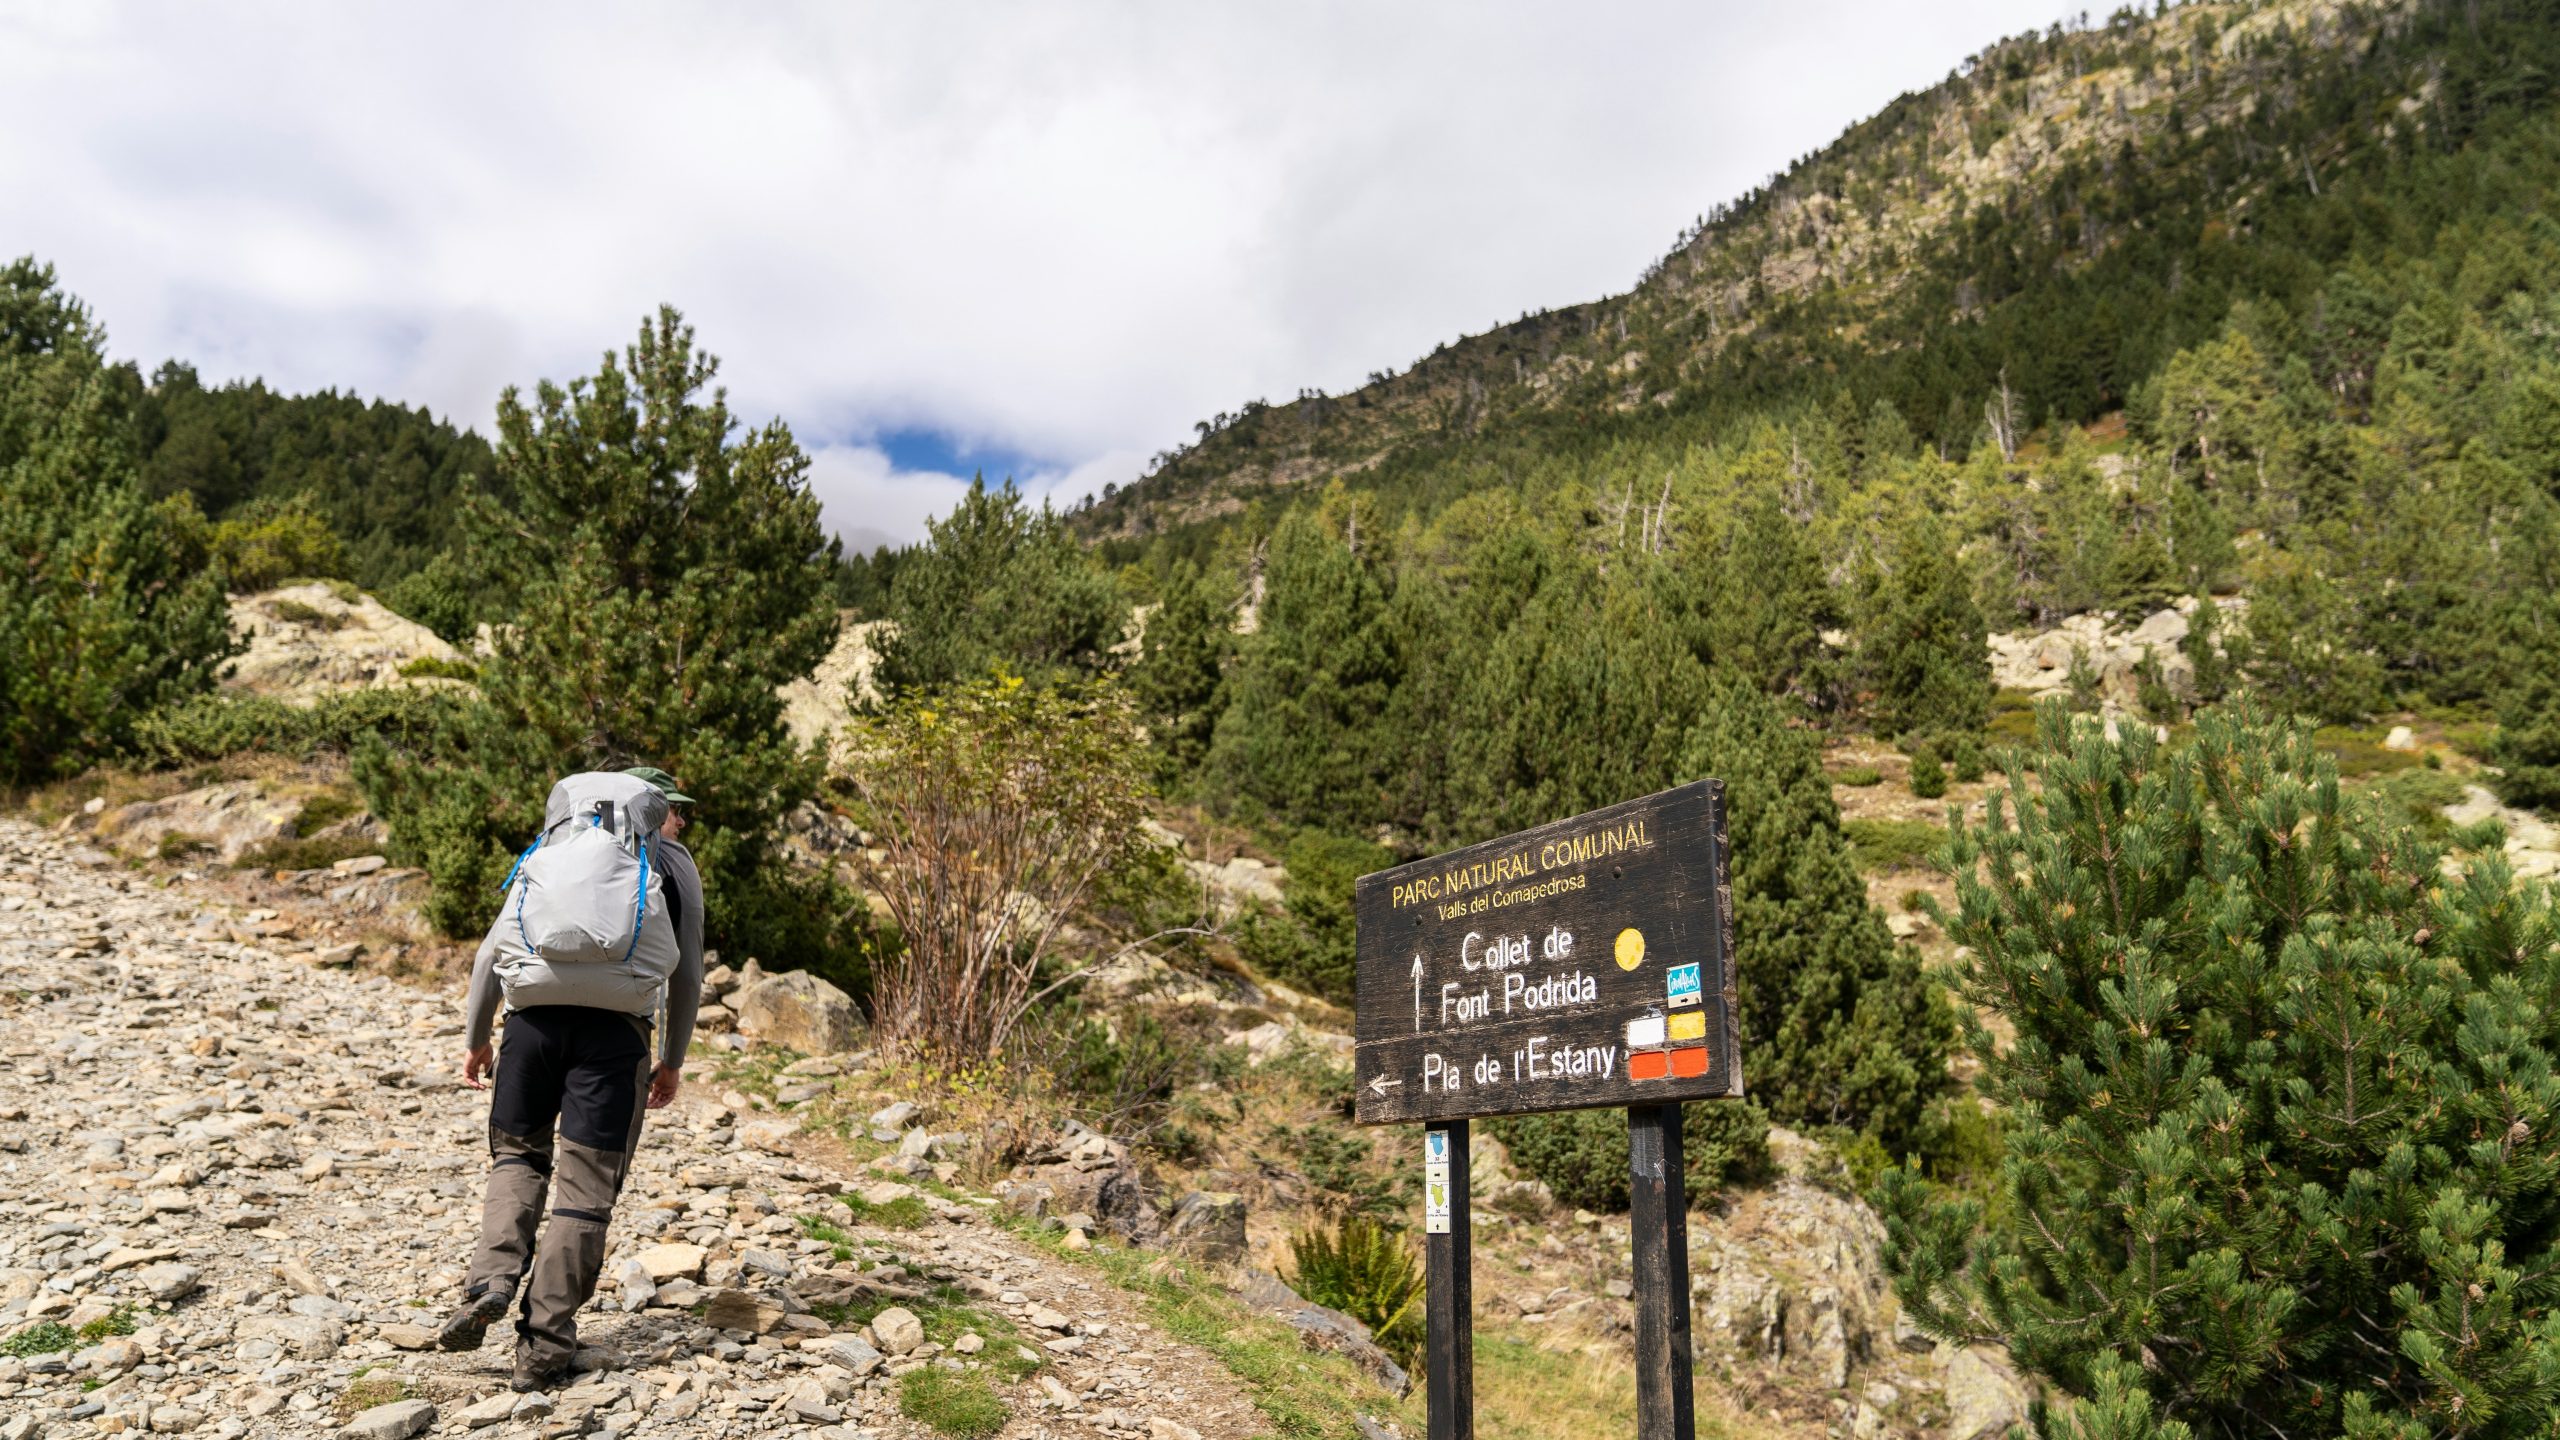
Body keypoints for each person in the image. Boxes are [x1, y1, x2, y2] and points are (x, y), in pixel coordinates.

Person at [437, 766, 706, 1391]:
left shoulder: (551, 850)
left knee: (516, 1161)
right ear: (645, 809)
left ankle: (491, 1282)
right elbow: (686, 973)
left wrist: (478, 1038)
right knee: (585, 1194)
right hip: (615, 1040)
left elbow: (489, 953)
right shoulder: (672, 864)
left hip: (530, 1029)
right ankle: (545, 1349)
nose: (681, 821)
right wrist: (674, 1056)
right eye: (673, 808)